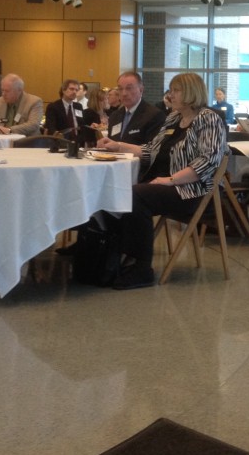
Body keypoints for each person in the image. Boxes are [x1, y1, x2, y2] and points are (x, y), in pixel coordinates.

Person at [97, 73, 227, 290]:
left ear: (190, 92)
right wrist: (117, 146)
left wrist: (171, 180)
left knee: (136, 195)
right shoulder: (173, 118)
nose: (170, 95)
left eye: (175, 90)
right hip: (171, 185)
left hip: (193, 189)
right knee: (122, 192)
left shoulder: (208, 118)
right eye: (171, 90)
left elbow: (207, 162)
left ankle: (142, 267)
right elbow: (149, 151)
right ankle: (121, 256)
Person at [107, 71, 166, 146]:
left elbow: (152, 149)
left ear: (141, 90)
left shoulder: (154, 115)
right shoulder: (114, 116)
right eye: (120, 89)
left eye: (129, 88)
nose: (124, 93)